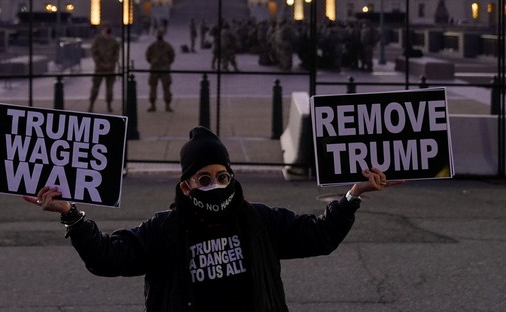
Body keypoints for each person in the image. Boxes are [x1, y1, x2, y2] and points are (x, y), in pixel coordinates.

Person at [25, 126, 399, 311]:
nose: (216, 185)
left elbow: (319, 237)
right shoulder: (164, 231)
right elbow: (107, 257)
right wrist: (72, 216)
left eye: (222, 176)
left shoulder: (258, 221)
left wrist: (352, 196)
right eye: (204, 179)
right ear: (186, 185)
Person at [89, 25, 120, 113]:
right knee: (95, 87)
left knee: (109, 88)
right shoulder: (97, 40)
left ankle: (109, 105)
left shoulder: (113, 41)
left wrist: (111, 62)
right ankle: (91, 104)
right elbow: (94, 52)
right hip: (99, 68)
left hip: (110, 68)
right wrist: (100, 63)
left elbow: (116, 54)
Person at [145, 29, 176, 112]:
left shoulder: (153, 46)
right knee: (163, 88)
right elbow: (172, 57)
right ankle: (165, 105)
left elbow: (148, 57)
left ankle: (155, 105)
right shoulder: (167, 46)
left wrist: (153, 62)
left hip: (157, 68)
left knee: (157, 88)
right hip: (162, 68)